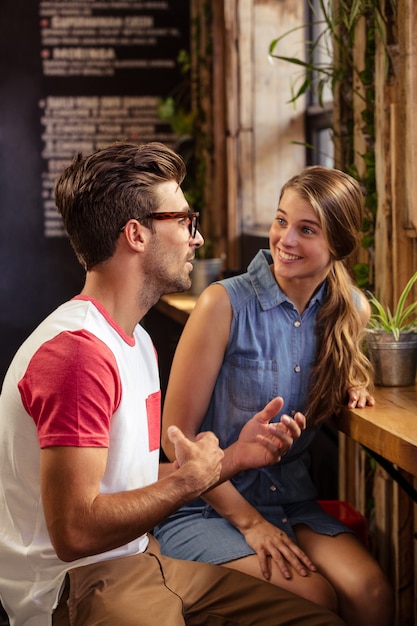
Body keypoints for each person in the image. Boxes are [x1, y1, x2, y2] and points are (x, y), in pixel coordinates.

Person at [0, 143, 347, 626]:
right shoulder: (77, 356)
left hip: (141, 559)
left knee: (318, 616)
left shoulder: (135, 340)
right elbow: (75, 532)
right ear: (137, 234)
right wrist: (190, 478)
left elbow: (128, 485)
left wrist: (235, 458)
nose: (197, 238)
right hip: (77, 584)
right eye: (185, 221)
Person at [154, 166, 394, 626]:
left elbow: (348, 368)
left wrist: (354, 383)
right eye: (282, 220)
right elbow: (175, 441)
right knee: (314, 598)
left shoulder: (350, 311)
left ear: (337, 245)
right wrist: (249, 523)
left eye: (307, 229)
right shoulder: (222, 304)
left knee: (372, 593)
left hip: (293, 500)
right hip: (208, 504)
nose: (285, 239)